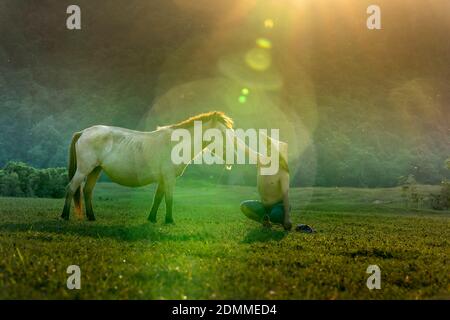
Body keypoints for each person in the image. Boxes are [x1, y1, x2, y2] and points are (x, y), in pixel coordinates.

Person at [239, 137, 292, 231]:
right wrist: (229, 134)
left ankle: (280, 219)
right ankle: (265, 220)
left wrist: (287, 218)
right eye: (268, 149)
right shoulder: (261, 162)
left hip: (278, 206)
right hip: (264, 206)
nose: (268, 151)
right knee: (244, 206)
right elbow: (245, 149)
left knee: (275, 215)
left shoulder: (283, 172)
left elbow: (286, 196)